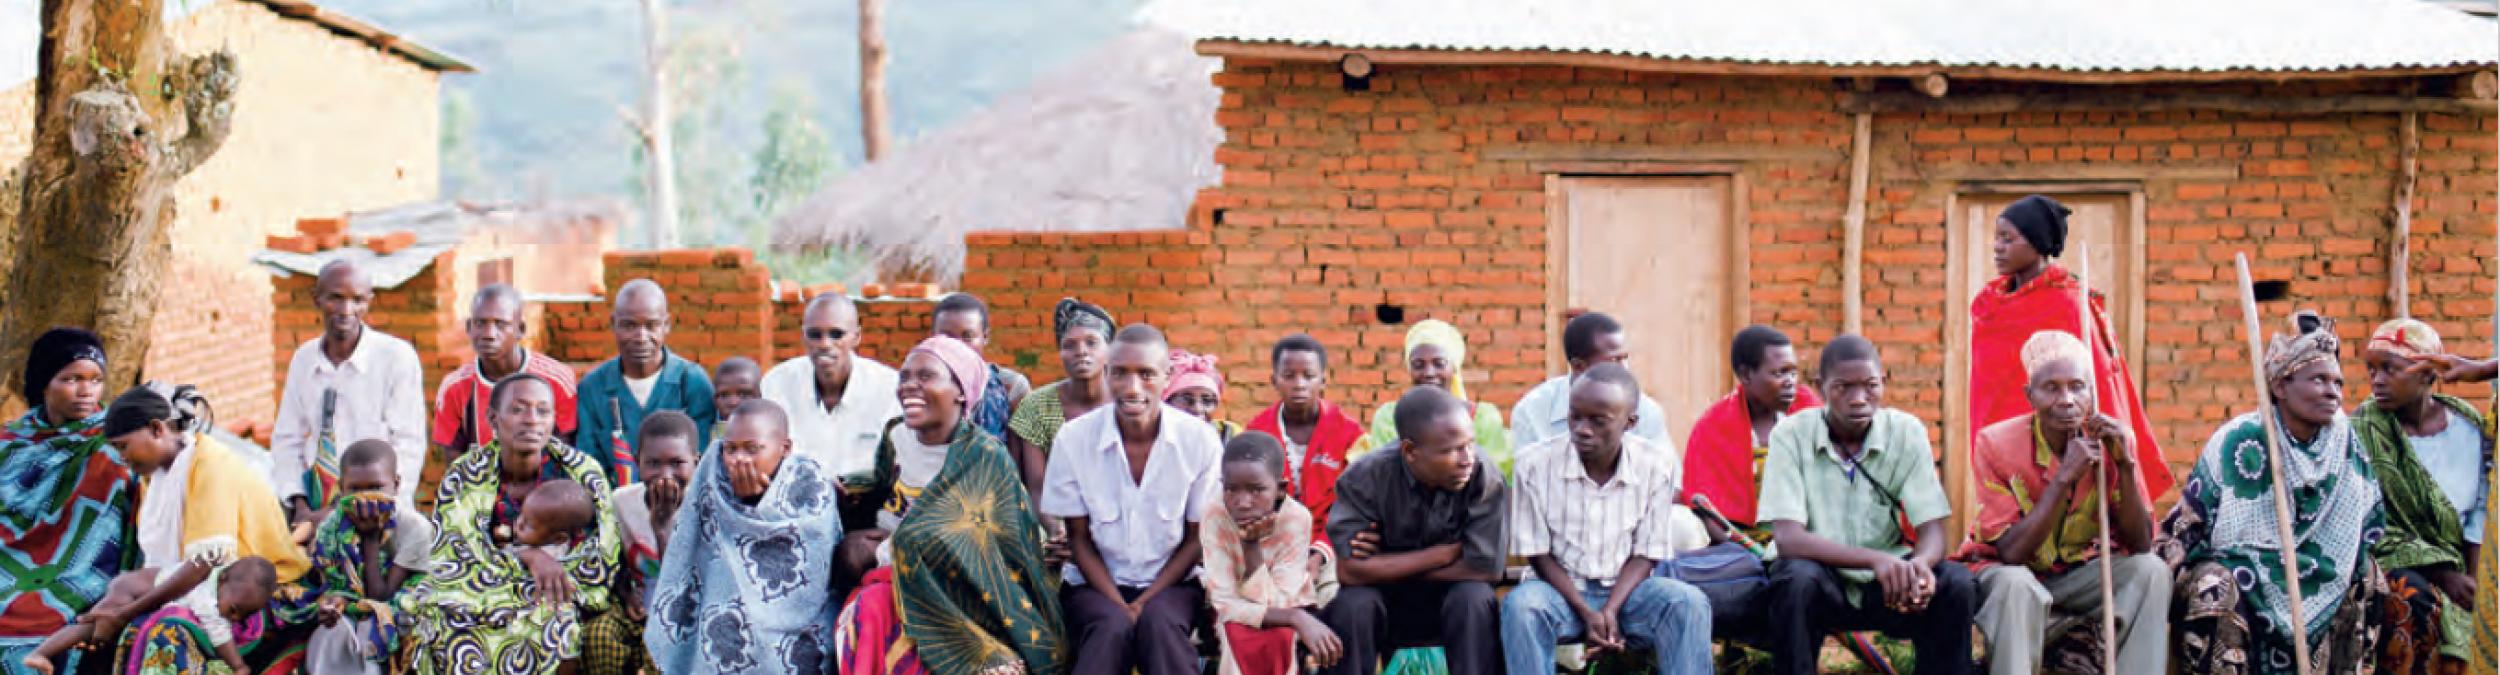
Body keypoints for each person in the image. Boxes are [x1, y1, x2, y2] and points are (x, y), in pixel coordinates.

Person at [2156, 312, 2385, 675]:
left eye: (2338, 383)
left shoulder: (2344, 444)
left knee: (2369, 576)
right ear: (2280, 386)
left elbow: (2365, 526)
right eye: (2319, 380)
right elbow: (2190, 527)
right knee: (2214, 586)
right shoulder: (2240, 440)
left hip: (2319, 570)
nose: (2333, 392)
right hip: (2243, 567)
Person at [835, 336, 1064, 675]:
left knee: (881, 606)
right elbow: (880, 485)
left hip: (960, 587)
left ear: (960, 391)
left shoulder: (982, 455)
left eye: (925, 376)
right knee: (865, 605)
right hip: (890, 568)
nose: (909, 386)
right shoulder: (896, 435)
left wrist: (895, 547)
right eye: (905, 377)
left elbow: (979, 544)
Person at [1757, 334, 1976, 675]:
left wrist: (1920, 566)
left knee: (1956, 584)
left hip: (1887, 586)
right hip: (1821, 580)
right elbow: (1788, 539)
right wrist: (1876, 560)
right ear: (1819, 386)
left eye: (1870, 385)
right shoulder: (1791, 436)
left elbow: (1932, 527)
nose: (1858, 399)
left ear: (1884, 382)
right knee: (1795, 578)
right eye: (1843, 387)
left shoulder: (1907, 432)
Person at [1956, 331, 2168, 675]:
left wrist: (2126, 465)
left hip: (2080, 573)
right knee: (2015, 584)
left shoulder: (2112, 439)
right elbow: (2011, 553)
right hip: (2013, 573)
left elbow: (2141, 542)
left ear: (2091, 393)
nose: (2067, 399)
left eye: (2077, 386)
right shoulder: (1995, 444)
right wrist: (2064, 476)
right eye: (2051, 388)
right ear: (2030, 396)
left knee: (2151, 572)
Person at [401, 374, 623, 675]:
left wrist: (551, 575)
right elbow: (454, 553)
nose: (532, 420)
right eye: (518, 409)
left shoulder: (582, 472)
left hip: (554, 590)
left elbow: (600, 552)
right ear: (493, 417)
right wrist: (528, 556)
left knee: (554, 620)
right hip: (475, 585)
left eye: (542, 411)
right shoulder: (465, 474)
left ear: (554, 419)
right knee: (442, 614)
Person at [1500, 364, 1713, 675]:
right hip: (1557, 593)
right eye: (1575, 416)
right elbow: (1538, 553)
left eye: (1598, 421)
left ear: (1630, 422)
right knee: (1521, 608)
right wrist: (1587, 612)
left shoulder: (1655, 465)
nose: (1583, 429)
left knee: (1687, 603)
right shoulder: (1533, 464)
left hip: (1629, 595)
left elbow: (1646, 553)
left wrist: (1611, 608)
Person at [1042, 324, 1222, 675]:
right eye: (1120, 373)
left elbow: (1195, 539)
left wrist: (1144, 601)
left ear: (1167, 376)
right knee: (1109, 629)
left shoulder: (1198, 441)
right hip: (1094, 585)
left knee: (1160, 626)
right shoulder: (1074, 439)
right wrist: (1118, 604)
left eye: (1146, 374)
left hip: (1174, 583)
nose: (1132, 388)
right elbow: (1078, 538)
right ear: (1106, 372)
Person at [1967, 195, 2173, 501]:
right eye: (1996, 238)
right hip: (2004, 442)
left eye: (2008, 238)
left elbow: (2100, 385)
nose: (1997, 246)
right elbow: (1989, 391)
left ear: (2037, 242)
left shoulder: (2068, 304)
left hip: (2066, 445)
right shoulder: (1990, 306)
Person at [100, 382, 313, 670]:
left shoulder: (211, 465)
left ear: (156, 429)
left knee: (167, 633)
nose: (121, 457)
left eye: (123, 446)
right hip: (206, 586)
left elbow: (205, 563)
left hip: (253, 593)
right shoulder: (158, 477)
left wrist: (127, 612)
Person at [644, 400, 841, 674]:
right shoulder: (711, 482)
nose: (739, 459)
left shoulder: (810, 486)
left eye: (752, 448)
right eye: (731, 448)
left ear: (785, 448)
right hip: (722, 616)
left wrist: (760, 502)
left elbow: (812, 571)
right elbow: (687, 571)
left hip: (796, 625)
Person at [1321, 386, 1507, 675]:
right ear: (1410, 451)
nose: (1466, 458)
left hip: (1449, 602)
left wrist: (1386, 562)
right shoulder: (1365, 478)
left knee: (1473, 598)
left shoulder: (1482, 475)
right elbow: (1349, 572)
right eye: (1450, 450)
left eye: (1469, 444)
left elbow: (1487, 569)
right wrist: (1441, 554)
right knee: (1353, 605)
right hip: (1385, 604)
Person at [0, 328, 137, 675]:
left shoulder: (117, 445)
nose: (86, 391)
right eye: (71, 379)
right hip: (8, 566)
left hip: (79, 575)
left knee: (24, 644)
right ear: (44, 383)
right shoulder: (10, 444)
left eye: (95, 380)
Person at [2353, 318, 2485, 672]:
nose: (2376, 380)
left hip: (2466, 560)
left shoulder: (2470, 427)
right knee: (2410, 595)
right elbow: (2367, 521)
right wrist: (2443, 575)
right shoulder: (2364, 430)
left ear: (2428, 375)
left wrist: (2473, 577)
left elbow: (2480, 511)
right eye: (2371, 369)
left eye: (2389, 369)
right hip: (2393, 564)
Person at [272, 258, 427, 513]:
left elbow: (408, 445)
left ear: (369, 301)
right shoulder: (304, 359)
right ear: (317, 299)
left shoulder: (396, 358)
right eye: (335, 298)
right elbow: (287, 441)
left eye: (357, 300)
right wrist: (300, 505)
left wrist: (366, 505)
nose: (346, 309)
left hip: (377, 510)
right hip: (313, 508)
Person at [429, 283, 581, 512]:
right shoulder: (454, 387)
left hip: (546, 500)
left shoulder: (556, 379)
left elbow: (566, 453)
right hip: (481, 502)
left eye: (500, 325)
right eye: (481, 324)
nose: (489, 334)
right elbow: (455, 464)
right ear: (469, 327)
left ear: (520, 329)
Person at [1203, 432, 1341, 675]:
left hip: (1283, 606)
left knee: (1280, 637)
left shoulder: (1296, 518)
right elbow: (1225, 604)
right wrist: (1295, 617)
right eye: (1231, 489)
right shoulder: (1215, 515)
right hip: (1235, 613)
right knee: (1236, 636)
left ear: (1280, 489)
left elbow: (1280, 599)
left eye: (1256, 490)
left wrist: (1251, 547)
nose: (1242, 502)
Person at [763, 293, 901, 523]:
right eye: (814, 335)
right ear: (803, 337)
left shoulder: (888, 387)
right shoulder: (777, 382)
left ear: (856, 337)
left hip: (866, 511)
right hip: (795, 510)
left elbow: (896, 463)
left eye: (837, 334)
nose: (825, 344)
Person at [301, 440, 435, 675]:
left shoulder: (415, 528)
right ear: (341, 488)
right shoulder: (332, 529)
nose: (365, 499)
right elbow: (336, 586)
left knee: (378, 630)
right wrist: (332, 603)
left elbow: (381, 597)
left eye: (376, 487)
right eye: (355, 490)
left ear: (395, 485)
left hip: (404, 607)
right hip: (357, 607)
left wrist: (369, 538)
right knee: (330, 634)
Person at [1683, 325, 1823, 543]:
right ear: (1746, 374)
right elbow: (1705, 510)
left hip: (1804, 543)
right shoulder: (1713, 428)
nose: (1791, 382)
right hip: (1739, 546)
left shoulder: (1811, 413)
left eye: (1793, 372)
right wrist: (1748, 551)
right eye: (1779, 373)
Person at [582, 411, 697, 675]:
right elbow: (613, 559)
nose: (665, 475)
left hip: (685, 614)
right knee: (599, 636)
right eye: (653, 464)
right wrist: (625, 594)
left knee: (663, 648)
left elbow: (682, 582)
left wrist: (663, 525)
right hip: (638, 608)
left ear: (695, 462)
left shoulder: (705, 506)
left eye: (677, 463)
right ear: (637, 463)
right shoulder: (621, 501)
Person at [20, 557, 278, 675]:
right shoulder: (204, 596)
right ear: (222, 579)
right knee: (92, 626)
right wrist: (239, 666)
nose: (232, 618)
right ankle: (40, 654)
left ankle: (41, 654)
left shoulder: (225, 583)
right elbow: (217, 629)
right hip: (129, 591)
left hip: (135, 585)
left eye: (241, 616)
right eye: (233, 610)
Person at [575, 278, 717, 484]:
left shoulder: (692, 382)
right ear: (613, 324)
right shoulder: (592, 387)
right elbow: (588, 465)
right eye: (629, 325)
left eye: (651, 326)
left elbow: (702, 460)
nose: (641, 337)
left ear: (666, 325)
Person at [1245, 333, 1362, 541]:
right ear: (1274, 380)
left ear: (1323, 380)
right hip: (1272, 541)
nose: (1299, 384)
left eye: (1308, 376)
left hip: (1334, 541)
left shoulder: (1349, 434)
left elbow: (1355, 503)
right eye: (1289, 376)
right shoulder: (1256, 433)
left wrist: (1321, 552)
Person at [1356, 320, 1511, 475]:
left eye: (1439, 363)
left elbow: (1493, 479)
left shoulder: (1482, 418)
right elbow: (1385, 477)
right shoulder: (1389, 418)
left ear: (1454, 368)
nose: (1429, 372)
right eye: (1418, 364)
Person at [1509, 312, 1670, 455]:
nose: (1624, 370)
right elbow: (1528, 481)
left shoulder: (1645, 411)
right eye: (1614, 360)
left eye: (1625, 358)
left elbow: (1666, 480)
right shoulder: (1532, 412)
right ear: (1578, 366)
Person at [1008, 298, 1116, 500]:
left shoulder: (1127, 403)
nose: (1081, 351)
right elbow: (1038, 489)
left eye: (1092, 343)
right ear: (1060, 352)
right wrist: (1056, 529)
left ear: (1110, 350)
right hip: (1059, 518)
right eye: (1069, 345)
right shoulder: (1037, 407)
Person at [934, 292, 1032, 440]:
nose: (957, 346)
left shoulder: (1010, 387)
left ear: (985, 337)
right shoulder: (918, 388)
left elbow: (1019, 456)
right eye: (947, 337)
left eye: (968, 336)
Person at [1166, 348, 1245, 441]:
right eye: (1186, 399)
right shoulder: (1152, 440)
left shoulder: (1229, 435)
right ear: (1167, 402)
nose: (1197, 408)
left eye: (1207, 400)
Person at [710, 356, 762, 442]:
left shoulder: (771, 432)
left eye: (743, 394)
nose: (733, 402)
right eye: (724, 395)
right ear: (715, 400)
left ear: (760, 396)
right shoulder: (709, 434)